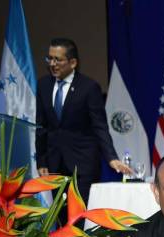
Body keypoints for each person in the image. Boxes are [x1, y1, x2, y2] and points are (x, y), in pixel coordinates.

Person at [36, 38, 130, 202]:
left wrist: (111, 157)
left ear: (73, 63)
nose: (52, 63)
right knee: (59, 218)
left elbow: (99, 126)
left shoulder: (89, 87)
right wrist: (41, 161)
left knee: (79, 217)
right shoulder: (43, 85)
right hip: (54, 164)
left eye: (57, 59)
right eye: (49, 58)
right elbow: (41, 125)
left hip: (82, 165)